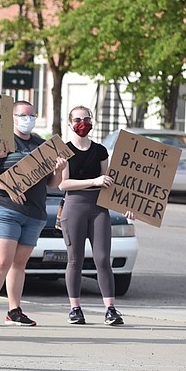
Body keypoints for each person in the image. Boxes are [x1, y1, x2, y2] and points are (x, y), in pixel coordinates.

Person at [0, 100, 66, 327]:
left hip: (34, 212)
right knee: (2, 260)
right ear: (13, 118)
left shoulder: (42, 145)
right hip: (6, 208)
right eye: (23, 115)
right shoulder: (3, 143)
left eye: (31, 115)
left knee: (19, 263)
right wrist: (10, 187)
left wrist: (58, 170)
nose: (28, 119)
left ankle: (14, 310)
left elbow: (52, 184)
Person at [57, 106, 125, 326]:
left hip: (98, 207)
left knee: (103, 258)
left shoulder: (100, 150)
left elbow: (108, 181)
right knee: (75, 259)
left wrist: (127, 205)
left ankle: (110, 308)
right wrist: (92, 182)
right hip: (74, 205)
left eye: (86, 119)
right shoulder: (64, 151)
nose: (82, 123)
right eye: (77, 119)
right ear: (69, 124)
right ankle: (75, 308)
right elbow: (63, 184)